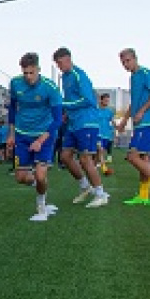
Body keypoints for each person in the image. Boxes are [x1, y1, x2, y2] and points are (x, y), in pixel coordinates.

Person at [6, 53, 63, 221]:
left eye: (31, 72)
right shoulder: (15, 84)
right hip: (22, 135)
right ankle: (40, 186)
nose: (28, 77)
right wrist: (11, 134)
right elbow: (12, 109)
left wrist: (40, 140)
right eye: (25, 73)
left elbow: (58, 120)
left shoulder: (50, 88)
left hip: (44, 135)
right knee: (21, 178)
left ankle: (42, 206)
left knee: (40, 175)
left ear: (38, 69)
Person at [52, 47, 109, 209]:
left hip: (86, 122)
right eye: (57, 63)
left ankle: (100, 194)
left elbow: (88, 100)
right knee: (65, 156)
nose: (59, 66)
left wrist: (64, 104)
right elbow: (71, 100)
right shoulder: (64, 77)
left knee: (85, 159)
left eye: (60, 62)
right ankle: (86, 187)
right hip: (73, 123)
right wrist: (66, 112)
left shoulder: (79, 75)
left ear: (68, 59)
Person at [116, 48, 150, 205]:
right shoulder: (133, 78)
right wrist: (125, 120)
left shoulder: (146, 73)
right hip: (139, 124)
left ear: (135, 58)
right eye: (123, 62)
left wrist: (142, 111)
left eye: (128, 60)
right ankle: (143, 195)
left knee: (133, 156)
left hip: (148, 122)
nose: (126, 64)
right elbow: (135, 102)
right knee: (144, 159)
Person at [96, 93, 116, 175]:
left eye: (108, 100)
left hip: (107, 134)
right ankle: (104, 169)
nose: (107, 102)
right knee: (100, 149)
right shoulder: (96, 110)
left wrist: (118, 128)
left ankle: (95, 165)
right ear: (101, 100)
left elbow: (112, 121)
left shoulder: (109, 111)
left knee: (101, 152)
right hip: (98, 133)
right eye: (105, 100)